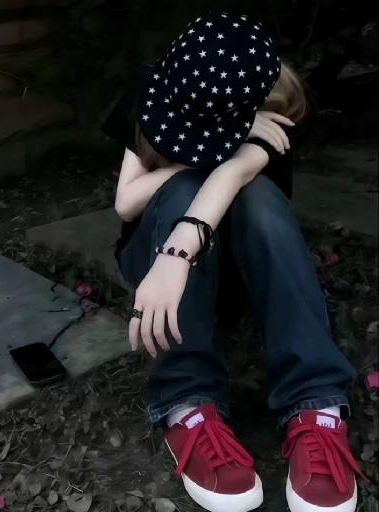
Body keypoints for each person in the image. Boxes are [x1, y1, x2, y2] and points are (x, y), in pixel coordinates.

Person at [101, 11, 366, 512]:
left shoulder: (272, 110)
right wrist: (212, 152)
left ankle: (316, 405)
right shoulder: (158, 89)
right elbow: (126, 202)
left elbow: (231, 179)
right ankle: (186, 404)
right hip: (156, 266)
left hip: (236, 271)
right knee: (186, 185)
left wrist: (236, 158)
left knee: (256, 193)